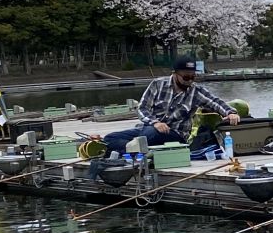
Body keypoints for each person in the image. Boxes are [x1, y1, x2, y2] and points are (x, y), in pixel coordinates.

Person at [99, 58, 239, 167]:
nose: (189, 81)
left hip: (176, 135)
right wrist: (155, 122)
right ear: (175, 74)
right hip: (150, 128)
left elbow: (215, 101)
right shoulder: (157, 84)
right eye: (186, 77)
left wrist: (230, 112)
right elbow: (142, 109)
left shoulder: (197, 92)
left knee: (148, 135)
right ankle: (138, 151)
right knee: (110, 138)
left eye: (193, 77)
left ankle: (137, 151)